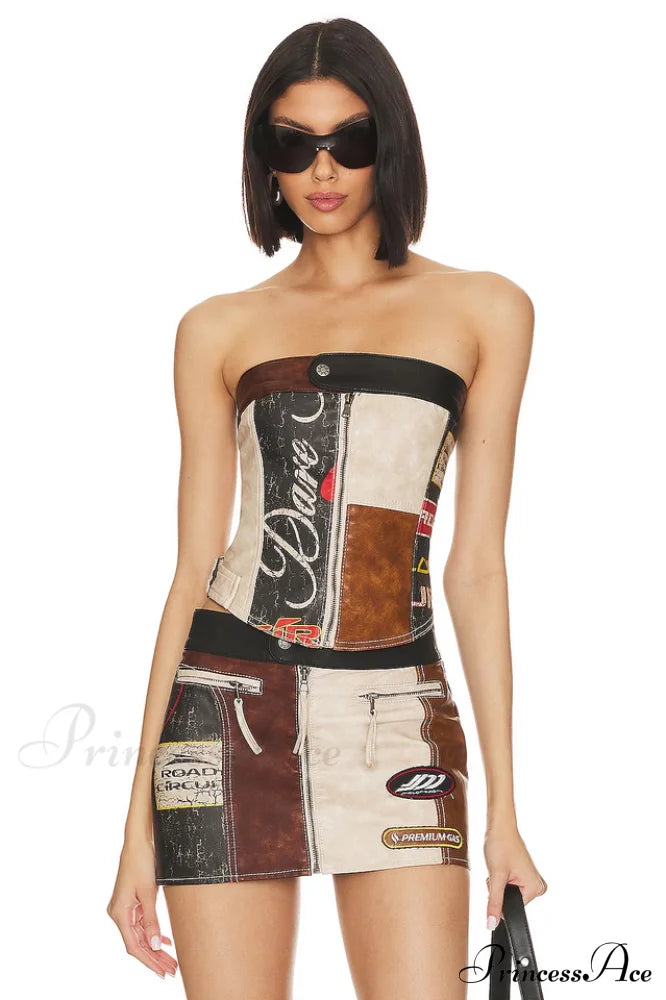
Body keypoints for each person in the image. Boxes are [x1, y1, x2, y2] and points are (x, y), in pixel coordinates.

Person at [107, 16, 547, 999]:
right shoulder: (218, 328)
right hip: (226, 710)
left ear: (390, 142)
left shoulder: (485, 310)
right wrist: (134, 823)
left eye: (350, 139)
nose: (323, 169)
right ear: (263, 160)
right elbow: (193, 569)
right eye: (293, 143)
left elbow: (477, 567)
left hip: (398, 720)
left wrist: (505, 812)